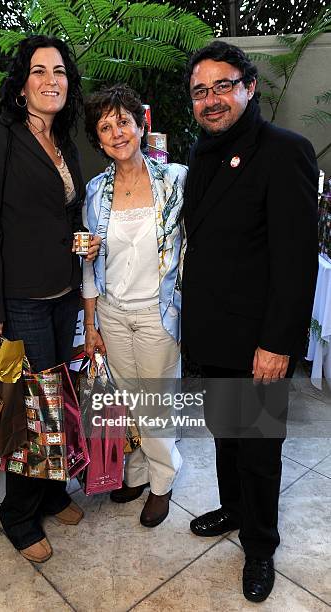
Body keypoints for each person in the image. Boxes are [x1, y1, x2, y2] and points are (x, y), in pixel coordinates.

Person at [182, 41, 318, 602]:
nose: (210, 100)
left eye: (222, 86)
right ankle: (234, 510)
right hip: (212, 332)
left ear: (249, 87)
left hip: (258, 340)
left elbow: (296, 260)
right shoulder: (201, 154)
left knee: (259, 449)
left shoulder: (284, 151)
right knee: (225, 437)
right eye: (199, 91)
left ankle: (261, 545)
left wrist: (277, 343)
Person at [0, 35, 100, 563]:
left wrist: (79, 239)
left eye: (60, 71)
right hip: (20, 299)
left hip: (65, 293)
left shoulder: (63, 141)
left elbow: (59, 215)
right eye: (39, 71)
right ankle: (18, 515)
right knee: (35, 411)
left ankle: (50, 493)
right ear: (22, 84)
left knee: (60, 401)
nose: (52, 80)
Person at [82, 84, 187, 527]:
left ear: (141, 125)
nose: (117, 132)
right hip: (112, 312)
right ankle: (140, 472)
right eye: (106, 127)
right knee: (129, 401)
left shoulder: (175, 179)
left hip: (157, 313)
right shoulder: (95, 190)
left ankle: (163, 482)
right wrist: (91, 323)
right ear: (99, 140)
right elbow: (88, 261)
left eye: (123, 121)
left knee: (156, 403)